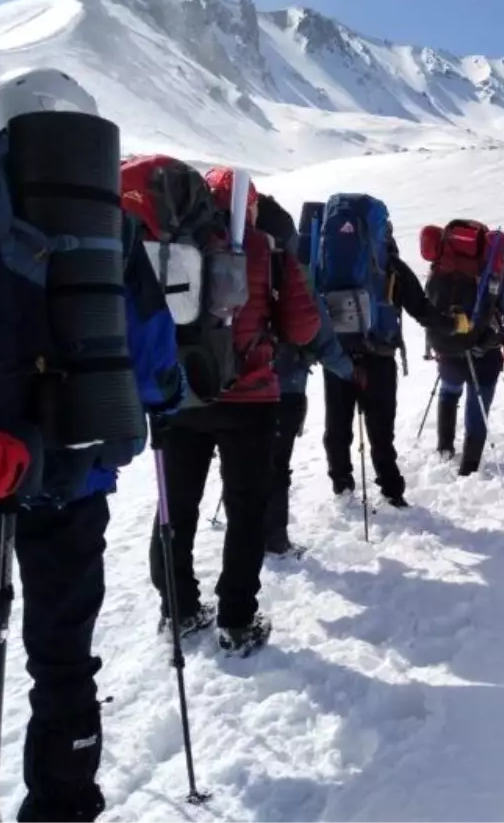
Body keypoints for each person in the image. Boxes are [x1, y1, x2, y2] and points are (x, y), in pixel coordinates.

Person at [0, 39, 185, 822]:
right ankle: (65, 805)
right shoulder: (105, 220)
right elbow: (149, 348)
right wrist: (163, 405)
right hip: (73, 475)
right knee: (64, 662)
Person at [138, 162, 321, 657]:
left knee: (175, 509)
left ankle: (178, 610)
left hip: (182, 396)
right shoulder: (264, 248)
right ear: (249, 205)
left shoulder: (170, 244)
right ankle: (236, 621)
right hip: (251, 400)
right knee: (244, 511)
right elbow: (303, 327)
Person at [314, 196, 467, 508]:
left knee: (337, 428)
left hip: (338, 354)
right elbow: (421, 309)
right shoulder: (391, 264)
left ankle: (342, 486)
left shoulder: (325, 258)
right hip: (379, 355)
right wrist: (452, 325)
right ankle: (391, 491)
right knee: (380, 430)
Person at [253, 193, 353, 557]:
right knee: (276, 466)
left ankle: (245, 535)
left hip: (227, 385)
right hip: (285, 384)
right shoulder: (289, 268)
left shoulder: (226, 258)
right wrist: (347, 370)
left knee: (243, 467)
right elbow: (317, 331)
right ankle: (273, 540)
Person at [428, 223, 504, 476]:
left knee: (448, 392)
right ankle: (469, 467)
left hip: (447, 347)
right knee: (477, 404)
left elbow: (430, 305)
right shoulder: (494, 271)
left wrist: (432, 344)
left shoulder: (442, 265)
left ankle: (444, 448)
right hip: (484, 349)